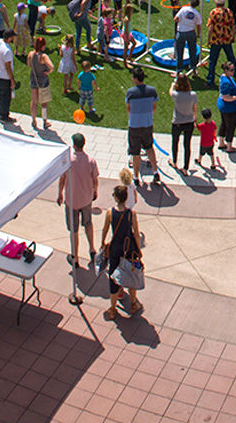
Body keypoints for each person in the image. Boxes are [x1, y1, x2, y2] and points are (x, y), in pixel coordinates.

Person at [100, 184, 145, 319]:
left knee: (113, 276)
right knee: (131, 274)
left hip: (115, 247)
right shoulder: (131, 213)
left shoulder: (110, 212)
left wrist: (102, 243)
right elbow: (136, 233)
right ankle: (133, 303)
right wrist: (138, 248)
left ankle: (113, 309)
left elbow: (105, 229)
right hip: (129, 248)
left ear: (116, 198)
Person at [58, 132, 100, 267]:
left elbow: (62, 179)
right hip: (86, 199)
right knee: (88, 224)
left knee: (74, 230)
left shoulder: (68, 161)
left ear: (74, 145)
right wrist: (95, 191)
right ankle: (92, 249)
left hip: (72, 201)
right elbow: (95, 179)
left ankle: (75, 257)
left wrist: (60, 193)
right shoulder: (91, 161)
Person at [125, 66, 161, 184]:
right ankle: (155, 172)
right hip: (147, 124)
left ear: (135, 79)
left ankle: (136, 177)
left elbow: (128, 109)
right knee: (149, 147)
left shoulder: (130, 92)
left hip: (135, 125)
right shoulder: (152, 91)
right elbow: (154, 107)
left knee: (135, 152)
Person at [206, 0, 236, 84]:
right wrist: (233, 36)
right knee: (231, 58)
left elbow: (211, 28)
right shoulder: (228, 12)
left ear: (216, 3)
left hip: (216, 40)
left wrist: (208, 40)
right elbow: (233, 26)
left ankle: (210, 80)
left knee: (213, 61)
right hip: (226, 38)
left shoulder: (213, 13)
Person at [170, 74, 197, 173]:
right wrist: (195, 119)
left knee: (175, 142)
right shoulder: (193, 95)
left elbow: (170, 91)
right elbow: (195, 109)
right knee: (187, 145)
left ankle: (175, 161)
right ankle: (186, 168)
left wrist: (173, 83)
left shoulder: (176, 95)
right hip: (189, 122)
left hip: (177, 122)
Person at [216, 59, 236, 153]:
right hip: (228, 108)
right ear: (226, 70)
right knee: (231, 126)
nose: (233, 71)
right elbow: (226, 97)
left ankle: (221, 143)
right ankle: (229, 146)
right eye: (231, 70)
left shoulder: (224, 77)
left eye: (233, 69)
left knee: (224, 124)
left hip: (224, 107)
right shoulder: (225, 82)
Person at [199, 108, 222, 172]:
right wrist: (215, 136)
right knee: (211, 154)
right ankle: (213, 164)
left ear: (203, 117)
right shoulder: (213, 123)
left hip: (203, 144)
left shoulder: (202, 125)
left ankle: (199, 161)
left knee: (201, 153)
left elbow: (197, 127)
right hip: (211, 143)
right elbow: (215, 130)